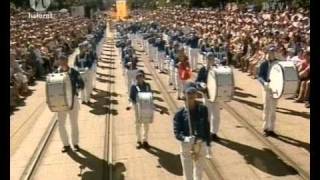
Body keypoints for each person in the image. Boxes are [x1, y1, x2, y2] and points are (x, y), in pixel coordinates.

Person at [173, 83, 212, 180]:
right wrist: (185, 138)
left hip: (200, 143)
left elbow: (207, 127)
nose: (191, 95)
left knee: (199, 173)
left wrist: (208, 144)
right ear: (184, 95)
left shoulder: (203, 109)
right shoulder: (179, 113)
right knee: (187, 173)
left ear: (196, 94)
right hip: (187, 146)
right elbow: (177, 132)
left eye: (193, 92)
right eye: (189, 92)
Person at [55, 54, 84, 152]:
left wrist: (76, 90)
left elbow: (82, 84)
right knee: (61, 124)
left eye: (64, 61)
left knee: (74, 123)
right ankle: (66, 145)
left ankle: (75, 143)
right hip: (60, 102)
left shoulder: (74, 72)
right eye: (60, 61)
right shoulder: (56, 73)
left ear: (67, 61)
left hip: (73, 100)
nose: (62, 63)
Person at [196, 52, 221, 140]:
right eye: (208, 59)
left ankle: (214, 133)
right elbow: (197, 81)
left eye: (212, 59)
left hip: (216, 95)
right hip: (207, 95)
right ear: (206, 59)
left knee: (216, 115)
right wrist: (201, 84)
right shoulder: (203, 69)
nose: (210, 60)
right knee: (207, 114)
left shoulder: (217, 69)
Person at [257, 45, 279, 137]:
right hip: (266, 87)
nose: (272, 54)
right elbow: (259, 76)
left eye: (273, 52)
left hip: (275, 88)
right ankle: (265, 128)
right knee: (266, 108)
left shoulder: (278, 63)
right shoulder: (264, 63)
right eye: (270, 52)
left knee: (273, 109)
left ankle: (271, 129)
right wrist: (264, 83)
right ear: (268, 53)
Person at [128, 71, 152, 149]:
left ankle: (145, 140)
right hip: (137, 107)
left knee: (146, 124)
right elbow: (131, 97)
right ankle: (139, 140)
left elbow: (151, 95)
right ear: (136, 78)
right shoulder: (133, 87)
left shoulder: (148, 85)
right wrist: (133, 104)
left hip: (146, 106)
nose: (140, 78)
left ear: (144, 77)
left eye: (141, 76)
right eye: (138, 77)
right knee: (138, 124)